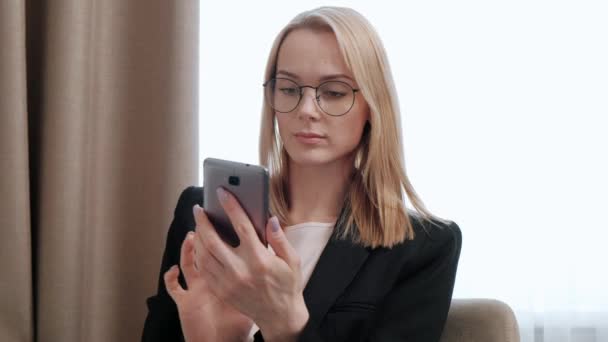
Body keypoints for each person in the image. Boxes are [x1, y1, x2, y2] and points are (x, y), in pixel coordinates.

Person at [142, 6, 462, 342]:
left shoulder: (424, 248)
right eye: (290, 89)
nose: (307, 110)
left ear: (373, 103)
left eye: (334, 92)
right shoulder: (199, 214)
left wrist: (285, 322)